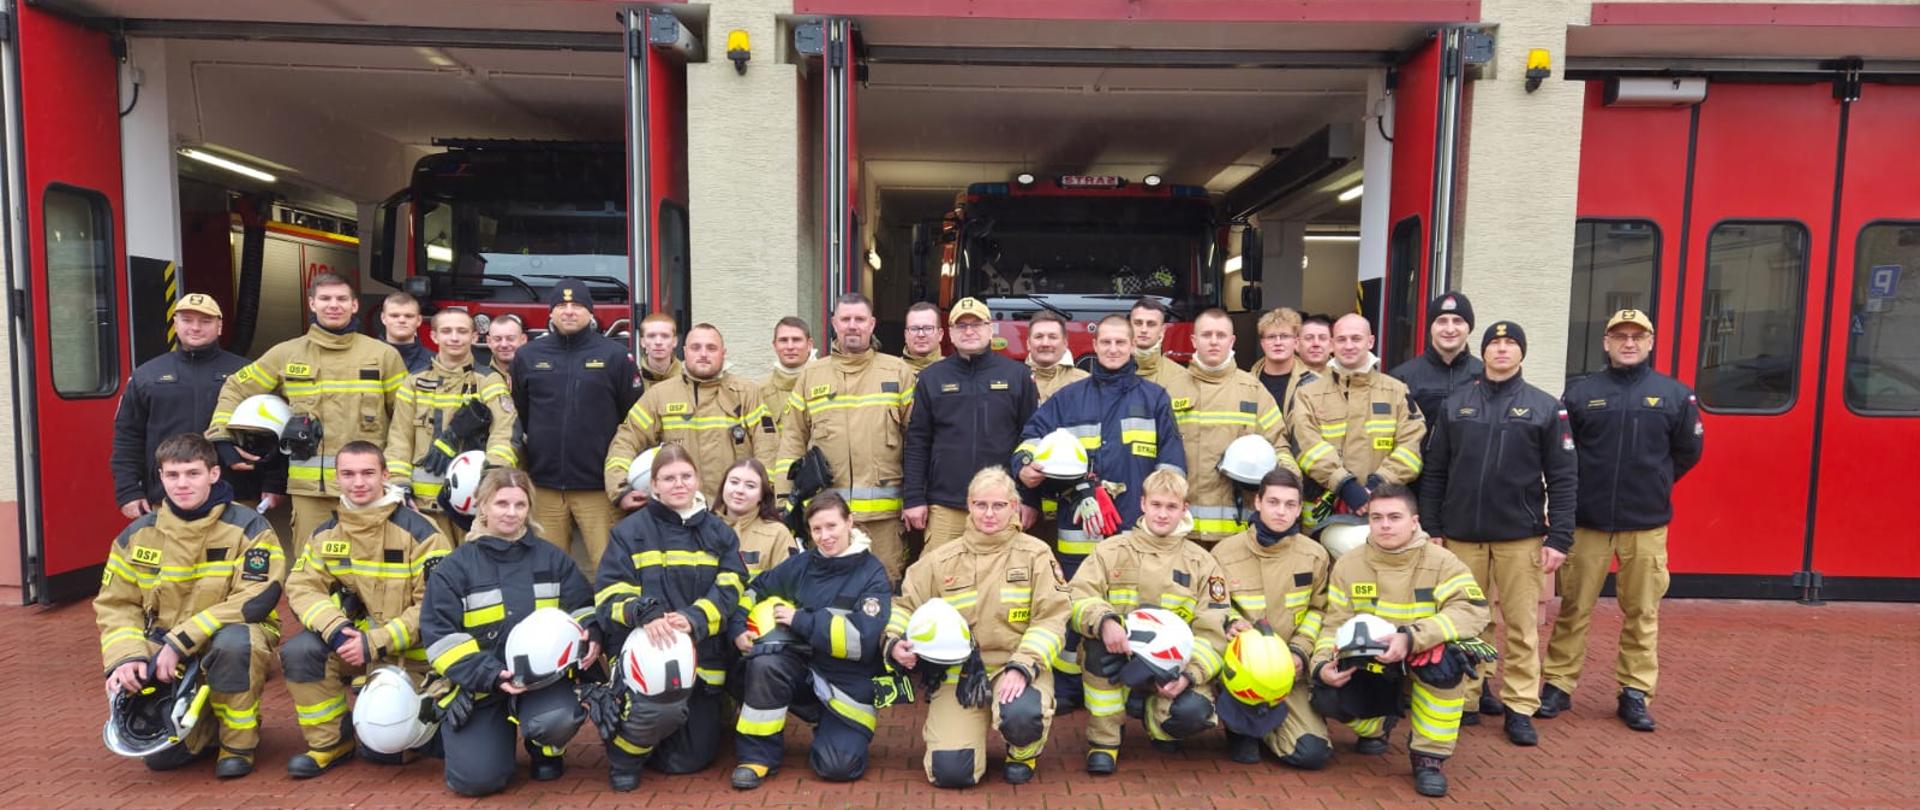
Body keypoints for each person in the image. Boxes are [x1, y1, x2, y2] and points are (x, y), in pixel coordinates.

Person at [1539, 309, 1703, 733]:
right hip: (1588, 524)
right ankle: (1558, 683)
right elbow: (1563, 455)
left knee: (1642, 611)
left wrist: (1655, 481)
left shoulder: (1674, 395)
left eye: (1637, 336)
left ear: (1650, 342)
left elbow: (1687, 453)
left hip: (1645, 526)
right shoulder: (1581, 394)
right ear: (1606, 343)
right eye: (1619, 336)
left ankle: (1635, 691)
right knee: (1574, 608)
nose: (1628, 343)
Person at [1417, 321, 1576, 746]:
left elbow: (1563, 477)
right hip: (1462, 536)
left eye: (1510, 343)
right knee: (1468, 621)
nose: (1502, 349)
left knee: (1522, 626)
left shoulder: (1545, 408)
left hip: (1519, 537)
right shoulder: (1456, 404)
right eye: (1495, 343)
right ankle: (1467, 697)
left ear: (1522, 352)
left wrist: (1560, 537)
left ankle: (1520, 706)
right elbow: (1435, 471)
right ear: (1483, 351)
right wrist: (1432, 527)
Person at [95, 433, 286, 778]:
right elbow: (116, 605)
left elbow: (255, 596)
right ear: (161, 476)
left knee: (235, 643)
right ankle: (205, 725)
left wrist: (180, 641)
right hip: (163, 644)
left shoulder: (248, 527)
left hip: (227, 634)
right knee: (161, 760)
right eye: (172, 475)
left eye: (193, 473)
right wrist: (126, 658)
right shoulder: (137, 536)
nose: (182, 484)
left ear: (214, 474)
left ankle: (238, 745)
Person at [421, 467, 598, 796]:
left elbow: (581, 606)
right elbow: (440, 637)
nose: (511, 513)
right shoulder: (454, 567)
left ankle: (545, 749)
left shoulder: (552, 558)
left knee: (556, 718)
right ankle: (471, 740)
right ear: (482, 506)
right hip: (480, 685)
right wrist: (488, 675)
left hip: (540, 681)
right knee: (477, 781)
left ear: (529, 508)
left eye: (520, 504)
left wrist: (592, 631)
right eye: (502, 503)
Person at [887, 468, 1070, 787]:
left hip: (1016, 667)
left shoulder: (1036, 555)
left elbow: (1052, 618)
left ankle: (1023, 752)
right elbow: (904, 606)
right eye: (981, 504)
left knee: (1022, 716)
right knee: (951, 772)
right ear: (969, 505)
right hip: (959, 675)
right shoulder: (941, 560)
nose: (989, 513)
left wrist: (1023, 666)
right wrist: (893, 642)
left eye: (999, 505)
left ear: (1014, 507)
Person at [281, 441, 453, 777]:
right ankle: (330, 743)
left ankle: (420, 731)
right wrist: (336, 630)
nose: (358, 482)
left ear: (385, 475)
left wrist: (373, 642)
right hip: (352, 646)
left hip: (413, 657)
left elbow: (434, 607)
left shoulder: (422, 533)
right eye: (348, 474)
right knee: (300, 650)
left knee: (385, 752)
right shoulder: (325, 534)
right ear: (337, 478)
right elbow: (301, 586)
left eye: (367, 473)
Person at [1309, 484, 1489, 798]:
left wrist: (1413, 638)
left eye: (1395, 517)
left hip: (1421, 652)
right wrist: (1322, 665)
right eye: (1376, 517)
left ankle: (1428, 757)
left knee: (1446, 665)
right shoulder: (1349, 565)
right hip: (1372, 662)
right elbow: (1334, 625)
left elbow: (1471, 610)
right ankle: (1378, 725)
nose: (1385, 525)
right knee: (1326, 694)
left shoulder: (1443, 562)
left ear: (1414, 521)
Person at [208, 272, 407, 554]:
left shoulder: (383, 356)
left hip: (367, 488)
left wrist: (397, 476)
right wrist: (221, 436)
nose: (333, 305)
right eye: (325, 298)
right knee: (310, 566)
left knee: (369, 565)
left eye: (341, 299)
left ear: (354, 305)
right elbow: (235, 388)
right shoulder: (286, 354)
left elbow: (403, 420)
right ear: (312, 304)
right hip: (311, 495)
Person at [593, 445, 748, 789]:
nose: (679, 484)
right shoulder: (629, 532)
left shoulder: (719, 532)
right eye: (668, 478)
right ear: (654, 486)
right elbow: (607, 594)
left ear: (697, 480)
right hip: (648, 651)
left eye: (685, 476)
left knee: (686, 760)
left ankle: (678, 724)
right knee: (655, 718)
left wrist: (694, 618)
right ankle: (624, 757)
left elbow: (732, 585)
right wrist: (643, 612)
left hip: (703, 655)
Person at [1066, 469, 1230, 775]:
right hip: (1119, 656)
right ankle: (1104, 741)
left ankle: (1159, 722)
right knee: (1096, 651)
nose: (1162, 514)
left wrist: (1190, 676)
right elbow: (1077, 596)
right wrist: (1104, 621)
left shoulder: (1202, 562)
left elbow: (1214, 630)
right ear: (1142, 504)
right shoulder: (1111, 550)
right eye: (1156, 505)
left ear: (1184, 509)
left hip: (1173, 668)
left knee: (1194, 712)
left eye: (1171, 507)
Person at [729, 493, 892, 789]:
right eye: (817, 529)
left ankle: (827, 722)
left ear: (849, 522)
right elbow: (756, 589)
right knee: (765, 664)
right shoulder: (802, 564)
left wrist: (801, 620)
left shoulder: (872, 574)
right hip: (801, 668)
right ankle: (756, 757)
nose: (825, 536)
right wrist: (738, 626)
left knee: (839, 767)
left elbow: (861, 641)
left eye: (832, 526)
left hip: (847, 683)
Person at [1015, 314, 1186, 577]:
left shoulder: (1155, 399)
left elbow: (1171, 464)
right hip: (1079, 531)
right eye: (1106, 342)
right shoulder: (1068, 398)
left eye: (1120, 342)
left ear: (1132, 345)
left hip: (1138, 530)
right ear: (1094, 345)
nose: (1113, 349)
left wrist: (1162, 511)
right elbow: (1031, 438)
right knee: (1080, 599)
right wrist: (1024, 466)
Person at [775, 293, 918, 581]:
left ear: (872, 324)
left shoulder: (898, 372)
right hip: (828, 519)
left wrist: (916, 497)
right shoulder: (811, 375)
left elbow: (916, 442)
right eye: (846, 319)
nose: (853, 325)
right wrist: (783, 499)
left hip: (884, 522)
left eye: (860, 319)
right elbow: (792, 439)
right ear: (834, 324)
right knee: (827, 589)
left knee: (883, 588)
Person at [112, 293, 285, 518]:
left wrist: (274, 483)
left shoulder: (247, 373)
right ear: (175, 323)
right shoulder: (146, 375)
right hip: (169, 496)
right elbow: (128, 437)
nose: (195, 327)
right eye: (187, 320)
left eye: (205, 321)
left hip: (238, 495)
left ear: (219, 326)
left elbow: (274, 431)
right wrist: (128, 491)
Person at [511, 277, 643, 568]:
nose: (569, 311)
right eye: (561, 305)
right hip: (544, 487)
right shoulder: (527, 356)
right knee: (546, 569)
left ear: (590, 312)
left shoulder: (615, 356)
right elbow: (520, 414)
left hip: (598, 489)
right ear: (551, 312)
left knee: (610, 568)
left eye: (577, 305)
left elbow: (631, 419)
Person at [1209, 468, 1332, 769]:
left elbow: (1319, 611)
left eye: (1290, 504)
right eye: (1273, 502)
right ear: (1258, 502)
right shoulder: (1225, 553)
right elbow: (1214, 607)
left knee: (1312, 754)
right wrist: (1231, 623)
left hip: (1290, 672)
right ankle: (1239, 727)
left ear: (1299, 509)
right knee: (1245, 755)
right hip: (1241, 672)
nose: (1281, 511)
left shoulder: (1315, 555)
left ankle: (1266, 728)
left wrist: (1300, 652)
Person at [904, 298, 1040, 550]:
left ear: (990, 329)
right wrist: (913, 497)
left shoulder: (1017, 376)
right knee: (940, 571)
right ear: (950, 333)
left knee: (1002, 572)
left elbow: (1032, 440)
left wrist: (1030, 499)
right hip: (946, 506)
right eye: (961, 325)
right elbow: (917, 442)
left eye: (976, 324)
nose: (969, 331)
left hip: (1002, 504)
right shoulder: (931, 378)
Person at [606, 322, 772, 509]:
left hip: (734, 511)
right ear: (685, 351)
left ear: (723, 353)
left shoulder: (747, 393)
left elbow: (767, 447)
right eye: (696, 347)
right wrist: (620, 490)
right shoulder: (659, 395)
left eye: (711, 348)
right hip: (678, 513)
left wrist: (766, 496)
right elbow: (626, 440)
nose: (703, 354)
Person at [385, 308, 517, 541]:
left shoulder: (488, 381)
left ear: (474, 337)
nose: (454, 338)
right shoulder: (414, 382)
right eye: (446, 331)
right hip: (423, 506)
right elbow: (399, 439)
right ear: (434, 336)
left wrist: (491, 479)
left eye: (462, 331)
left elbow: (504, 433)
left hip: (474, 504)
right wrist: (399, 485)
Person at [1179, 308, 1298, 546]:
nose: (1214, 341)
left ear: (1232, 341)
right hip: (1181, 528)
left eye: (1221, 335)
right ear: (1193, 340)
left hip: (1238, 532)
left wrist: (1291, 486)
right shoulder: (1171, 389)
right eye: (1206, 335)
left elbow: (1279, 445)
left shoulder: (1253, 391)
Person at [1291, 313, 1425, 516]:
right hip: (1328, 511)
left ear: (1370, 341)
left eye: (1356, 338)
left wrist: (1378, 484)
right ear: (1332, 344)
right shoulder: (1308, 394)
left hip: (1384, 509)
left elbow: (1411, 448)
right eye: (1341, 339)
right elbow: (1307, 447)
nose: (1348, 345)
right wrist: (1344, 485)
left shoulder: (1397, 392)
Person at [1021, 310, 1090, 557]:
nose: (1045, 343)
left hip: (1072, 498)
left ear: (1065, 342)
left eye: (1052, 337)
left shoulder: (1085, 383)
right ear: (1028, 343)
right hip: (1025, 496)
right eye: (1039, 337)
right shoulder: (1014, 380)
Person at [1389, 292, 1482, 448]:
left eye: (1457, 321)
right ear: (1430, 327)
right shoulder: (1401, 377)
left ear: (1469, 328)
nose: (1450, 329)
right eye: (1442, 321)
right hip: (1418, 464)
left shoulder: (1485, 375)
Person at [717, 458, 801, 580]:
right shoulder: (703, 528)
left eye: (750, 486)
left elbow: (790, 584)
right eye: (734, 482)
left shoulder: (778, 534)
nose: (740, 490)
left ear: (762, 494)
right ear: (723, 486)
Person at [758, 316, 816, 452]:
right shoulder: (761, 391)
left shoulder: (827, 382)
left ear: (809, 344)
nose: (790, 347)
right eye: (783, 340)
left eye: (796, 340)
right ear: (775, 345)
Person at [1249, 306, 1317, 425]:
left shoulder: (1315, 383)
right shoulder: (1246, 383)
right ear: (1262, 343)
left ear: (1296, 342)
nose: (1278, 342)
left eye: (1284, 336)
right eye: (1271, 337)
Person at [1128, 297, 1187, 387]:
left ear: (1162, 331)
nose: (1144, 330)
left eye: (1151, 324)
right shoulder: (1110, 372)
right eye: (1138, 323)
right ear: (1129, 327)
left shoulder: (1180, 376)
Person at [380, 292, 432, 374]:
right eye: (394, 315)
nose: (402, 320)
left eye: (409, 316)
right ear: (383, 318)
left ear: (419, 320)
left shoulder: (434, 362)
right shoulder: (367, 357)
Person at [637, 312, 683, 389]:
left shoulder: (689, 379)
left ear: (675, 341)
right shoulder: (632, 380)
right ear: (642, 342)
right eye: (651, 336)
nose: (658, 342)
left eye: (665, 336)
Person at [483, 314, 528, 386]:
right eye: (497, 339)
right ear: (489, 341)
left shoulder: (538, 376)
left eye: (510, 338)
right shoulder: (477, 378)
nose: (504, 345)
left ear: (523, 340)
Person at [900, 301, 946, 372]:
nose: (921, 334)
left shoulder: (954, 372)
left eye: (928, 328)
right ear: (905, 335)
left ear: (940, 334)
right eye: (914, 329)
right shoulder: (893, 370)